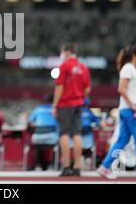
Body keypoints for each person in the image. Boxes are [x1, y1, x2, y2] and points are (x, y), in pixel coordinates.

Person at [97, 45, 136, 180]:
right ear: (135, 55)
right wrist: (133, 105)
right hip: (130, 110)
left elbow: (134, 89)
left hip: (126, 109)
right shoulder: (128, 68)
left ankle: (104, 167)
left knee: (121, 141)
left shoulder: (131, 69)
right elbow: (121, 89)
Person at [52, 43, 91, 177]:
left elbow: (59, 87)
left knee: (64, 134)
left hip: (65, 104)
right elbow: (87, 89)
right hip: (78, 104)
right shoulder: (83, 67)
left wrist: (54, 105)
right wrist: (80, 97)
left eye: (62, 52)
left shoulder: (64, 66)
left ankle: (67, 166)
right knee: (77, 134)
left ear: (67, 52)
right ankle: (77, 167)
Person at [28, 93, 59, 171]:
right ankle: (53, 165)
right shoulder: (56, 109)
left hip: (37, 137)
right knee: (62, 142)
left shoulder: (38, 109)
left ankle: (38, 165)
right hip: (52, 137)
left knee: (38, 145)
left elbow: (30, 122)